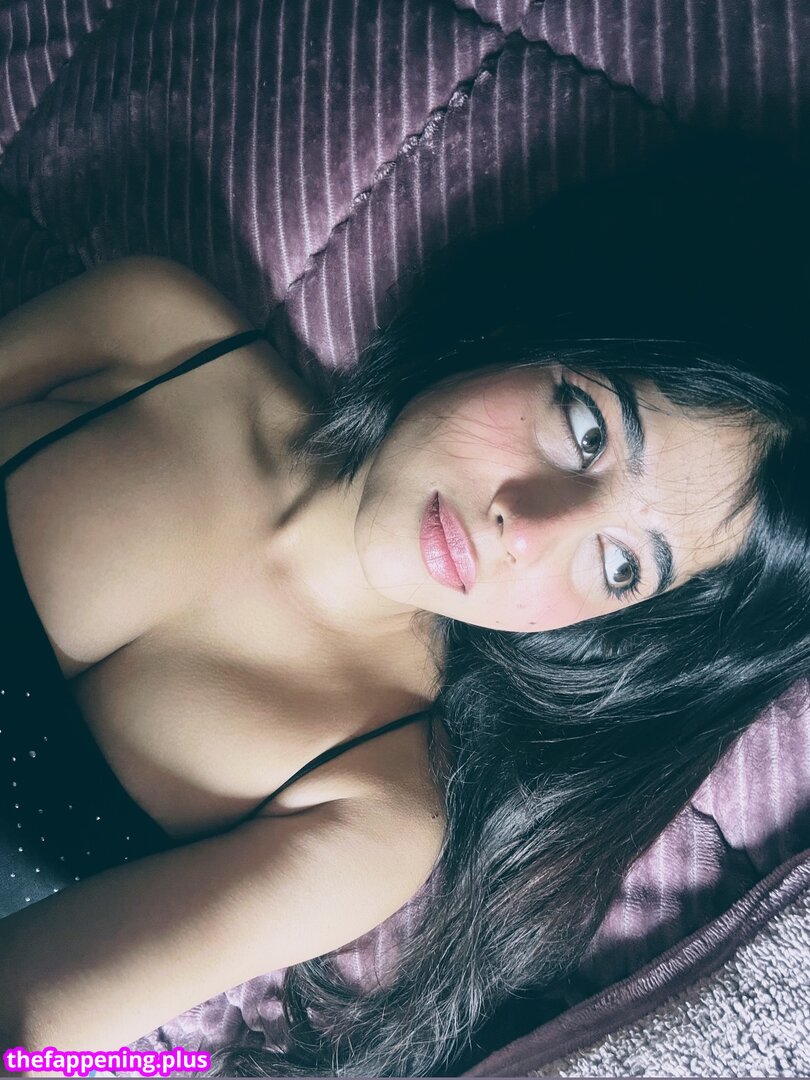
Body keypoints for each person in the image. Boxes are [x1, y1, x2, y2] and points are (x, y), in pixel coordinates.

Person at [0, 138, 807, 1077]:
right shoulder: (160, 332)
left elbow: (27, 1020)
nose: (527, 528)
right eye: (586, 429)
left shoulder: (372, 810)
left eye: (621, 565)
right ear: (533, 320)